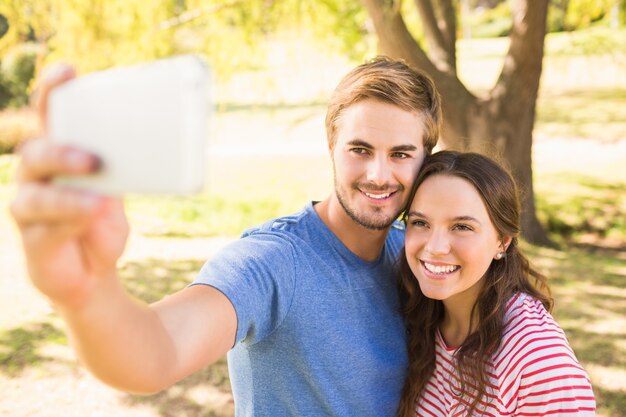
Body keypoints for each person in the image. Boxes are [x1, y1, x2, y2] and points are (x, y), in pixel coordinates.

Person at [10, 56, 442, 416]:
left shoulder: (416, 255)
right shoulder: (272, 262)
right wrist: (88, 294)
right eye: (360, 149)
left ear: (425, 160)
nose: (378, 174)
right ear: (331, 146)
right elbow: (155, 353)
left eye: (400, 154)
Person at [396, 150, 596, 416]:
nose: (435, 247)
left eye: (462, 227)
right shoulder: (419, 314)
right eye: (420, 222)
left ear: (502, 241)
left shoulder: (536, 355)